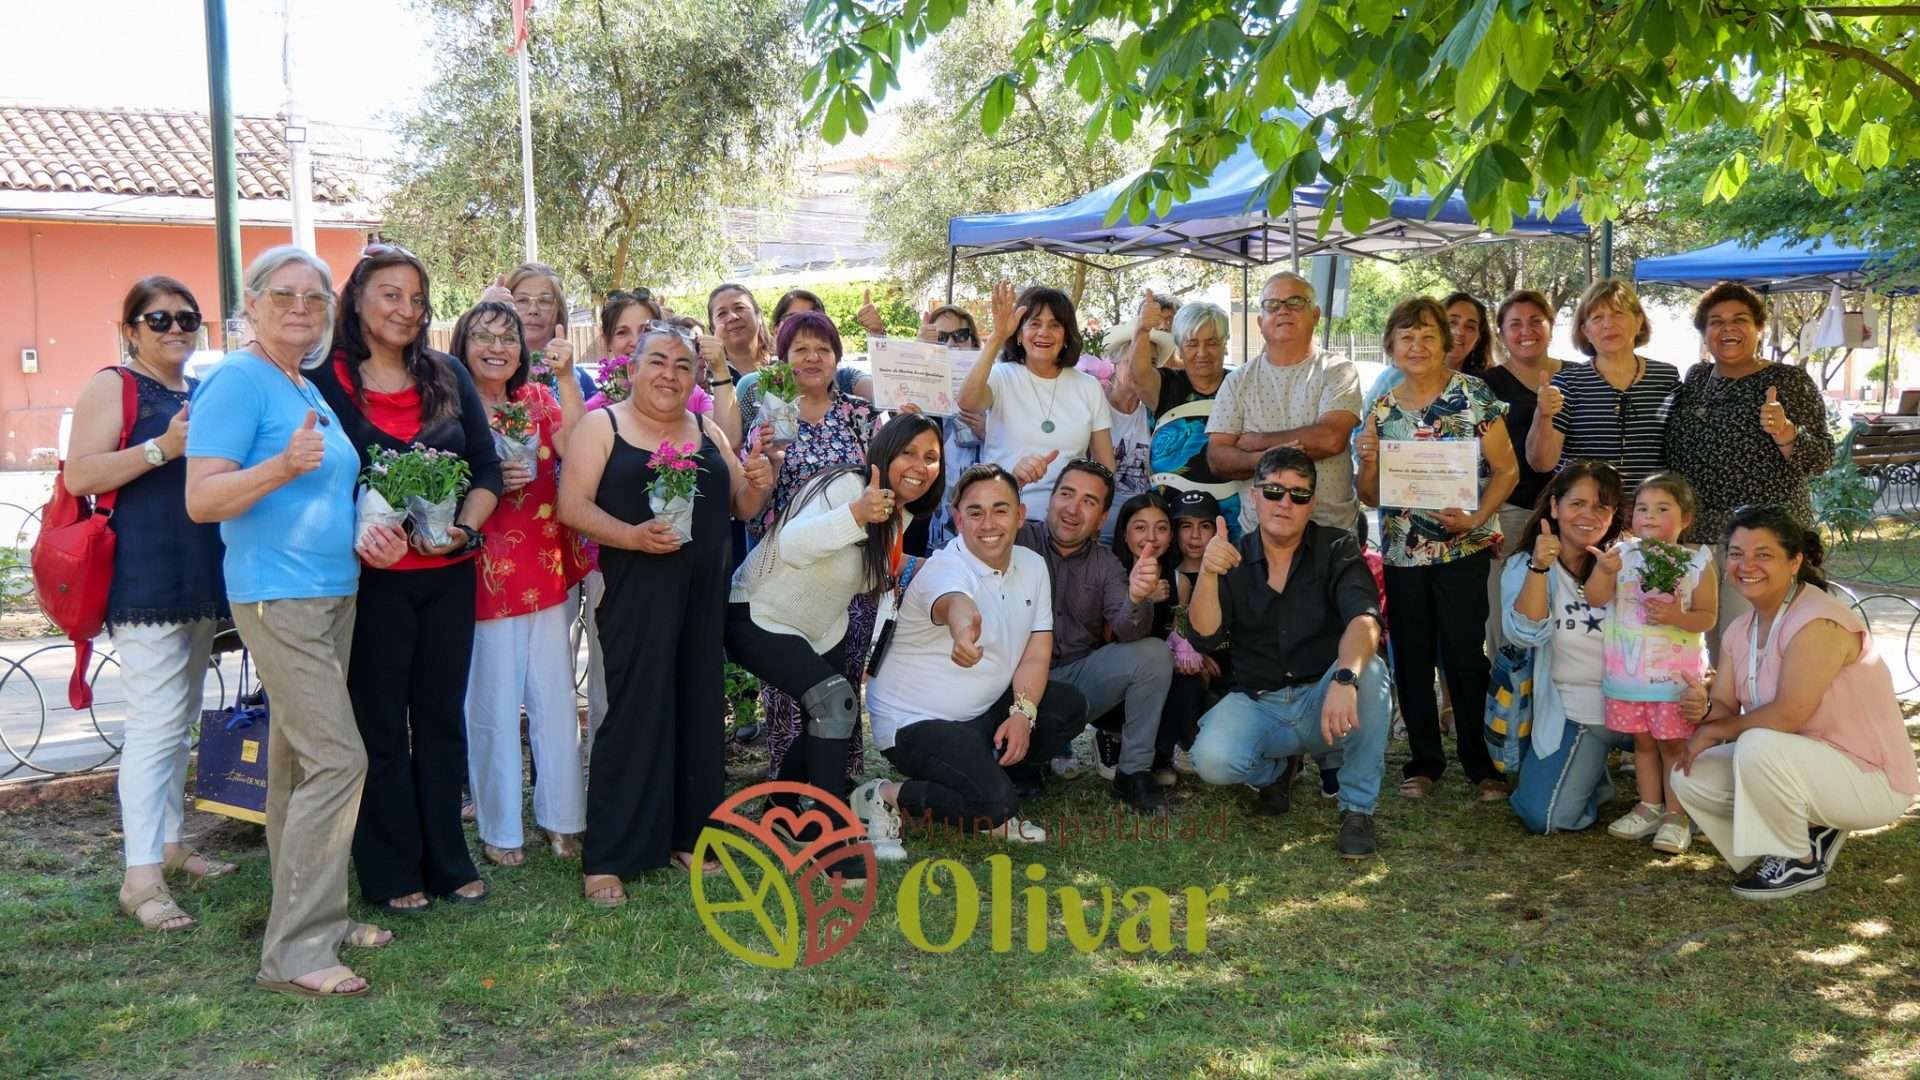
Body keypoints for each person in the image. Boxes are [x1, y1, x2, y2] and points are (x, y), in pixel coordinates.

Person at [185, 244, 408, 998]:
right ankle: (297, 952)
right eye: (286, 296)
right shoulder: (236, 382)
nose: (302, 310)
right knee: (340, 760)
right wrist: (281, 467)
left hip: (330, 591)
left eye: (315, 299)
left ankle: (313, 914)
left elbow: (327, 489)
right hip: (276, 597)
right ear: (252, 304)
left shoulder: (301, 384)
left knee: (295, 765)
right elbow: (202, 499)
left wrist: (366, 525)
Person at [312, 245, 504, 916]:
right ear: (358, 300)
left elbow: (484, 471)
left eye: (417, 298)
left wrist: (466, 531)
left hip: (448, 576)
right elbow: (317, 479)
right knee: (381, 727)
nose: (406, 309)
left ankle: (448, 859)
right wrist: (358, 535)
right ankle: (391, 869)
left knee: (441, 719)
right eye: (390, 294)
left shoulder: (446, 373)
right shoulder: (326, 379)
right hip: (371, 585)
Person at [557, 324, 774, 905]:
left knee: (700, 711)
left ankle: (692, 838)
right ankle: (608, 857)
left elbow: (743, 505)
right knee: (632, 714)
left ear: (695, 377)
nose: (670, 374)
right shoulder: (602, 427)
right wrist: (629, 536)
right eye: (658, 361)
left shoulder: (706, 430)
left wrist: (761, 482)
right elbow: (570, 506)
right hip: (634, 595)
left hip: (703, 597)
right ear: (631, 368)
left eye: (683, 365)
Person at [66, 277, 230, 931]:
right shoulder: (115, 385)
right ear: (131, 329)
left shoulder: (194, 392)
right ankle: (140, 878)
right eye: (158, 318)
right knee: (156, 726)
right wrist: (166, 447)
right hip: (144, 581)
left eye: (186, 317)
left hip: (196, 577)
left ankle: (167, 843)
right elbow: (80, 474)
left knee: (177, 717)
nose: (175, 329)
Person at [727, 412, 944, 874]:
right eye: (909, 452)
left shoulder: (897, 514)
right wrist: (856, 514)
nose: (919, 465)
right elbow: (792, 545)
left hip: (819, 625)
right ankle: (831, 843)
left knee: (829, 713)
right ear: (884, 451)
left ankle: (779, 815)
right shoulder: (847, 485)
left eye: (931, 457)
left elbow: (872, 573)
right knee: (834, 703)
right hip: (757, 611)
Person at [1672, 506, 1919, 899]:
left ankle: (1798, 862)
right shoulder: (1742, 627)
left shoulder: (1819, 620)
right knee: (1690, 775)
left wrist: (1716, 729)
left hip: (1871, 778)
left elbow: (1789, 714)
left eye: (1763, 554)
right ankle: (1806, 831)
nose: (1746, 565)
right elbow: (1722, 706)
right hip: (1805, 763)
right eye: (1736, 554)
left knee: (1757, 745)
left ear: (1795, 561)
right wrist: (1701, 708)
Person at [856, 464, 1090, 853]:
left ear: (1020, 515)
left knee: (1068, 705)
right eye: (975, 512)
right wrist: (964, 631)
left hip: (979, 712)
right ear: (957, 519)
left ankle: (981, 779)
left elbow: (1037, 650)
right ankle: (883, 794)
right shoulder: (946, 568)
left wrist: (1022, 713)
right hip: (914, 723)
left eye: (1000, 510)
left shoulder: (1032, 565)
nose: (988, 523)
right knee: (995, 804)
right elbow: (954, 603)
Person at [1186, 447, 1391, 857]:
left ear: (1311, 504)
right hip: (1260, 701)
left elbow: (1365, 620)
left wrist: (1344, 678)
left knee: (1369, 671)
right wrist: (1208, 574)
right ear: (1254, 496)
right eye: (1275, 490)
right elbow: (1204, 637)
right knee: (1211, 761)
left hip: (1326, 699)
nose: (1285, 503)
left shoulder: (1337, 549)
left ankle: (1356, 809)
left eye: (1298, 494)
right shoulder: (1234, 556)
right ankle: (1276, 772)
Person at [1355, 296, 1519, 801]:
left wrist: (1476, 517)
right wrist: (1370, 460)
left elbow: (1508, 470)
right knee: (1413, 656)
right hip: (1403, 554)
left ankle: (1479, 763)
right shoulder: (1381, 410)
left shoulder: (1473, 396)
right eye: (1406, 337)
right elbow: (1368, 495)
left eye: (1428, 335)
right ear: (1391, 347)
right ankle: (1423, 762)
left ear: (1446, 344)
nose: (1418, 345)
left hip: (1460, 548)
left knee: (1467, 657)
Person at [453, 301, 591, 866]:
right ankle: (501, 827)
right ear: (461, 344)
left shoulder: (535, 398)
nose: (497, 347)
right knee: (491, 703)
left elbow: (580, 448)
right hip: (480, 570)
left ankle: (564, 819)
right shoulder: (449, 405)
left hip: (542, 563)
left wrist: (562, 377)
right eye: (483, 336)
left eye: (507, 337)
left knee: (555, 698)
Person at [742, 312, 886, 792]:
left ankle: (837, 785)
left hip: (850, 574)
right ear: (782, 360)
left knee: (842, 683)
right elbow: (752, 506)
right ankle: (787, 792)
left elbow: (886, 481)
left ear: (837, 358)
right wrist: (766, 463)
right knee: (791, 691)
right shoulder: (769, 418)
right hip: (786, 579)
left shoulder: (860, 415)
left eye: (822, 348)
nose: (812, 357)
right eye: (800, 348)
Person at [1660, 282, 1834, 641]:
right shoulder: (1695, 379)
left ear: (1759, 328)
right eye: (1715, 321)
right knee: (1700, 652)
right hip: (1698, 539)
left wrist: (1786, 433)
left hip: (1761, 543)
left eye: (1739, 320)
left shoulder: (1788, 381)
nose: (1727, 329)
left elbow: (1821, 459)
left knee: (1754, 647)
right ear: (1704, 332)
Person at [1010, 458, 1172, 812]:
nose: (1073, 509)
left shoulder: (1106, 564)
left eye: (1089, 501)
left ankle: (1133, 773)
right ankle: (1018, 759)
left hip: (1071, 685)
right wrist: (1009, 485)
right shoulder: (1016, 538)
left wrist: (1136, 597)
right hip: (1007, 683)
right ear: (1049, 499)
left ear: (1102, 519)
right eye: (1066, 494)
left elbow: (1129, 630)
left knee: (1154, 654)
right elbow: (966, 530)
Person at [1584, 473, 1717, 853]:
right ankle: (1649, 805)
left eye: (1662, 509)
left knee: (1673, 746)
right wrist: (1605, 573)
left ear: (1685, 518)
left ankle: (1678, 814)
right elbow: (1595, 598)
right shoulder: (1620, 556)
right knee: (1642, 743)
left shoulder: (1697, 562)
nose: (1649, 516)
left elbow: (1707, 617)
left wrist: (1678, 615)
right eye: (1642, 508)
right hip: (1628, 675)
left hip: (1673, 679)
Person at [1500, 462, 1636, 834]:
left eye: (1601, 507)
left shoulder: (1629, 563)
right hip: (1576, 713)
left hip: (1638, 706)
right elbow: (1525, 635)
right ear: (1555, 507)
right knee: (1544, 818)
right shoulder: (1522, 565)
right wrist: (1539, 568)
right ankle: (1587, 772)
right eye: (1577, 504)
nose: (1588, 516)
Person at [1205, 272, 1362, 539]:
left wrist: (1257, 442)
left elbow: (1330, 439)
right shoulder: (1237, 382)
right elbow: (1217, 458)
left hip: (1331, 533)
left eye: (1295, 302)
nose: (1283, 311)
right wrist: (1262, 458)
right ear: (1260, 322)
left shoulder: (1338, 371)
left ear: (1315, 314)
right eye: (1272, 305)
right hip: (1260, 538)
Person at [958, 282, 1116, 519]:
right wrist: (997, 337)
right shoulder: (1001, 376)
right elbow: (967, 402)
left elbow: (1106, 467)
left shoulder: (1089, 387)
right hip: (1003, 516)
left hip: (1068, 524)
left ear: (1066, 336)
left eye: (1054, 325)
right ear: (1019, 334)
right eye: (1034, 323)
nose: (1044, 332)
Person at [1527, 279, 1679, 492]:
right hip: (1587, 514)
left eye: (1618, 313)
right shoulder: (1567, 383)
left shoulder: (1666, 377)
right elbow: (1541, 464)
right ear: (1585, 331)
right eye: (1597, 318)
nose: (1608, 324)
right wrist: (1542, 416)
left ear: (1638, 321)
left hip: (1647, 515)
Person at [1480, 290, 1565, 653]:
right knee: (1504, 610)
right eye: (1515, 324)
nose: (1526, 331)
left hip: (1567, 514)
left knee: (1562, 611)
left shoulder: (1576, 376)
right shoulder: (1487, 383)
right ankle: (1507, 701)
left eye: (1535, 321)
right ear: (1501, 333)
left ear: (1551, 326)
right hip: (1509, 511)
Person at [1137, 299, 1238, 523]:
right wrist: (1142, 329)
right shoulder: (1166, 383)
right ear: (1180, 347)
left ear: (1225, 344)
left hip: (1232, 515)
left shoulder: (1240, 384)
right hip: (1170, 515)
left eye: (1212, 343)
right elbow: (1139, 375)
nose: (1202, 353)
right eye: (1192, 344)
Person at [1443, 292, 1492, 377]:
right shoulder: (1412, 378)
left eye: (1470, 327)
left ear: (1478, 340)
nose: (1459, 332)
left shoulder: (1485, 386)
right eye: (1452, 322)